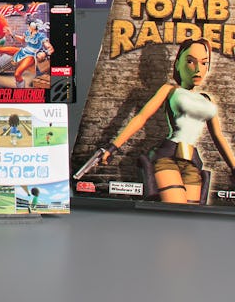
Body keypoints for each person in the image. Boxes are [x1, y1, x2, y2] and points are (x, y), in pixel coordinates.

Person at [96, 38, 235, 204]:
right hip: (167, 158)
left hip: (192, 162)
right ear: (178, 64)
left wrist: (233, 167)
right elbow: (141, 117)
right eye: (190, 61)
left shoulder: (206, 100)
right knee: (176, 208)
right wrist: (113, 147)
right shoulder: (170, 90)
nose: (198, 69)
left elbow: (218, 137)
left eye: (204, 63)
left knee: (191, 213)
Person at [0, 20, 54, 87]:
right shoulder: (27, 33)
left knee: (17, 74)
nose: (28, 28)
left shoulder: (41, 36)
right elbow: (22, 40)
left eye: (29, 26)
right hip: (23, 51)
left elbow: (51, 49)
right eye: (28, 26)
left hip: (31, 56)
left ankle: (21, 86)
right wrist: (12, 34)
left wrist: (45, 53)